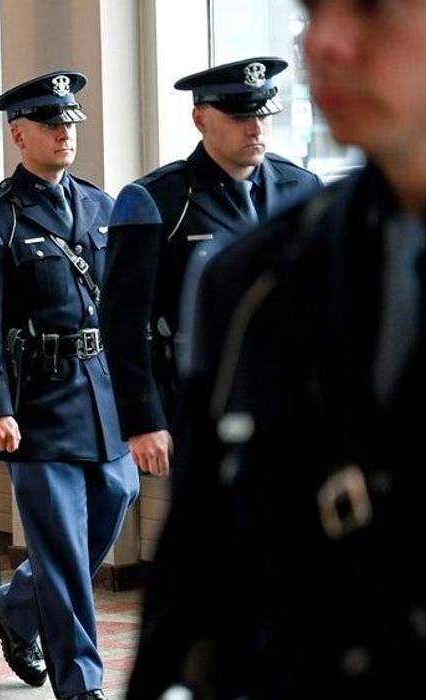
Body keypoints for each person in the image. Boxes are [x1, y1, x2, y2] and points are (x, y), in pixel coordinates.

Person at [128, 0, 426, 697]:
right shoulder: (259, 277)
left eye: (371, 8)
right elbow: (197, 561)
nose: (322, 42)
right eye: (312, 9)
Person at [0, 71, 140, 700]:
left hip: (102, 394)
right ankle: (81, 681)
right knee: (59, 547)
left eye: (69, 123)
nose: (64, 133)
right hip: (36, 403)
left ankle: (15, 606)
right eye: (50, 124)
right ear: (18, 135)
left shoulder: (102, 208)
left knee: (117, 496)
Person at [101, 57, 321, 478]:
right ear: (200, 119)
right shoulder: (156, 199)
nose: (256, 128)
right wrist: (143, 420)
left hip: (289, 394)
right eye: (240, 117)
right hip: (199, 396)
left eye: (263, 115)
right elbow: (123, 323)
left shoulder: (301, 187)